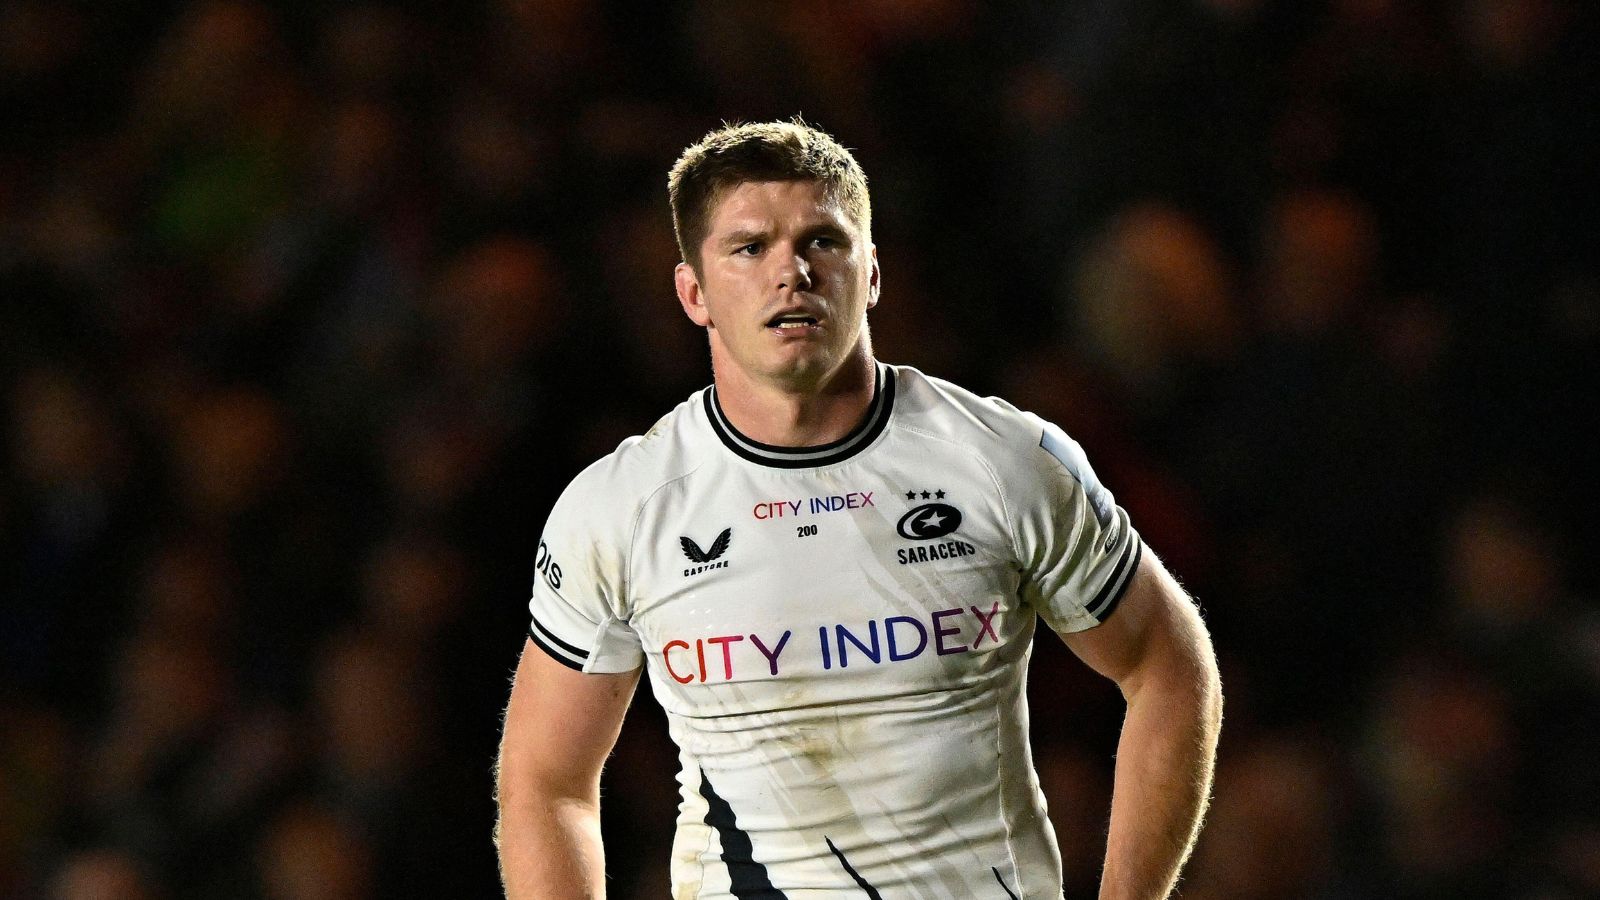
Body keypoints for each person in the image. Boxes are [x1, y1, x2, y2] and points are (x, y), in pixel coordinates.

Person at [495, 119, 1222, 899]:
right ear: (693, 293)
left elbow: (1168, 668)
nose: (792, 273)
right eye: (750, 248)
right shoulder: (623, 507)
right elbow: (546, 781)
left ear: (871, 273)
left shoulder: (1003, 461)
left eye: (823, 242)